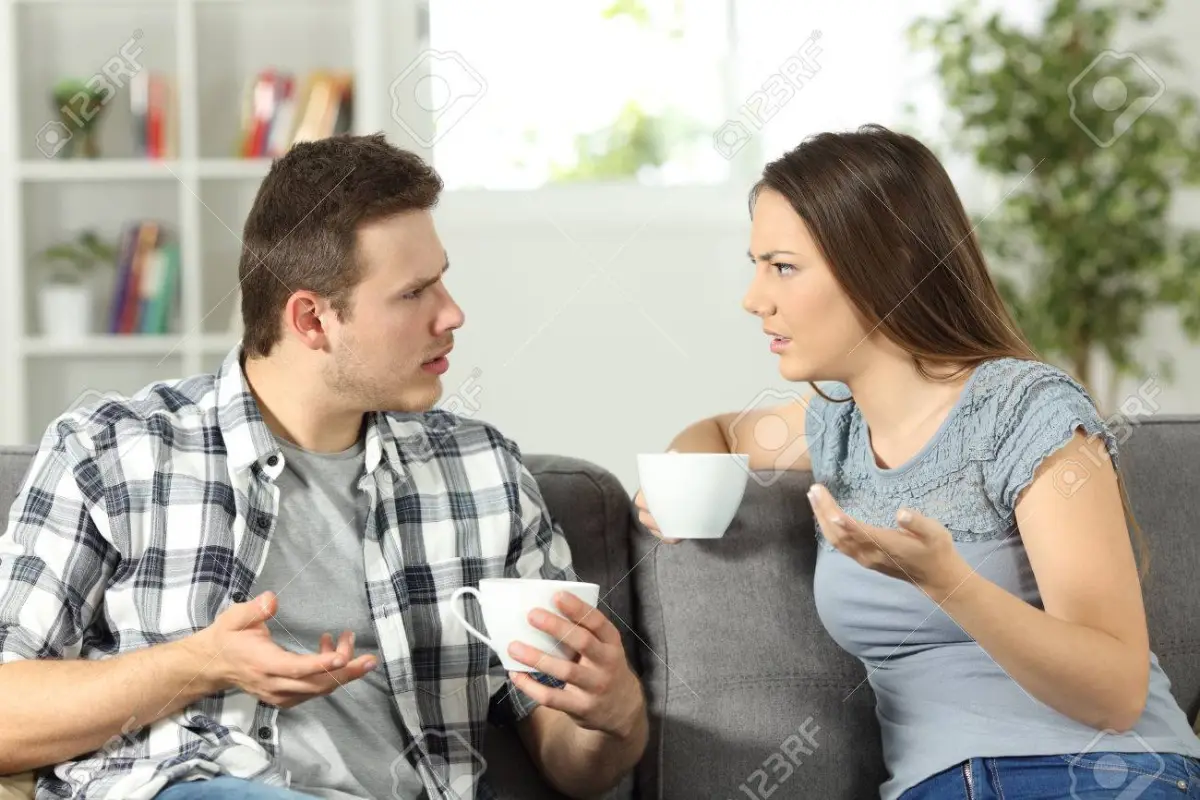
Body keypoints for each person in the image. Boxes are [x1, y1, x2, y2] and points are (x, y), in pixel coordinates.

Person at [0, 133, 648, 800]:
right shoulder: (112, 453)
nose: (452, 314)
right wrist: (200, 664)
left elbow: (578, 768)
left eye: (442, 280)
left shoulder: (484, 473)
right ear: (312, 319)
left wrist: (614, 715)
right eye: (414, 293)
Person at [636, 124, 1200, 799]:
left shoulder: (1025, 410)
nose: (754, 299)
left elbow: (1115, 692)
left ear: (885, 264)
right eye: (756, 265)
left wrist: (950, 584)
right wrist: (681, 481)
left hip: (1106, 774)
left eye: (782, 266)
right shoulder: (837, 425)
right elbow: (720, 431)